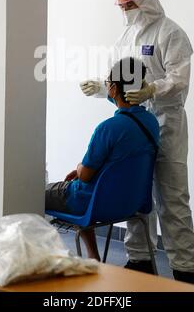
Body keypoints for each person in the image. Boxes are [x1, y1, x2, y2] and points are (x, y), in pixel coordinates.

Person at [80, 0, 194, 284]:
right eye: (121, 7)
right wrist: (100, 88)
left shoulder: (171, 33)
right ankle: (140, 260)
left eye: (129, 5)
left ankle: (184, 271)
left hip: (166, 124)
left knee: (172, 199)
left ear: (145, 0)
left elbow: (179, 78)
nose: (126, 12)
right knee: (135, 195)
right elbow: (119, 82)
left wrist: (152, 91)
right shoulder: (125, 37)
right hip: (135, 124)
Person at [46, 57, 159, 261]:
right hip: (130, 203)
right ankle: (92, 257)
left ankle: (35, 263)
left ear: (114, 88)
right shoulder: (151, 122)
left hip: (93, 203)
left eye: (107, 82)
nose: (105, 85)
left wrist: (80, 168)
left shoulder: (108, 128)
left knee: (33, 194)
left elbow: (86, 175)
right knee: (81, 186)